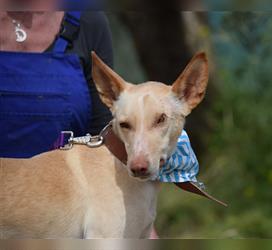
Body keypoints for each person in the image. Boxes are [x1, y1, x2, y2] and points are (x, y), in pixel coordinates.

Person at [0, 7, 203, 238]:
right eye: (126, 125)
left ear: (189, 94)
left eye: (159, 121)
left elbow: (100, 124)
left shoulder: (88, 20)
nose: (139, 159)